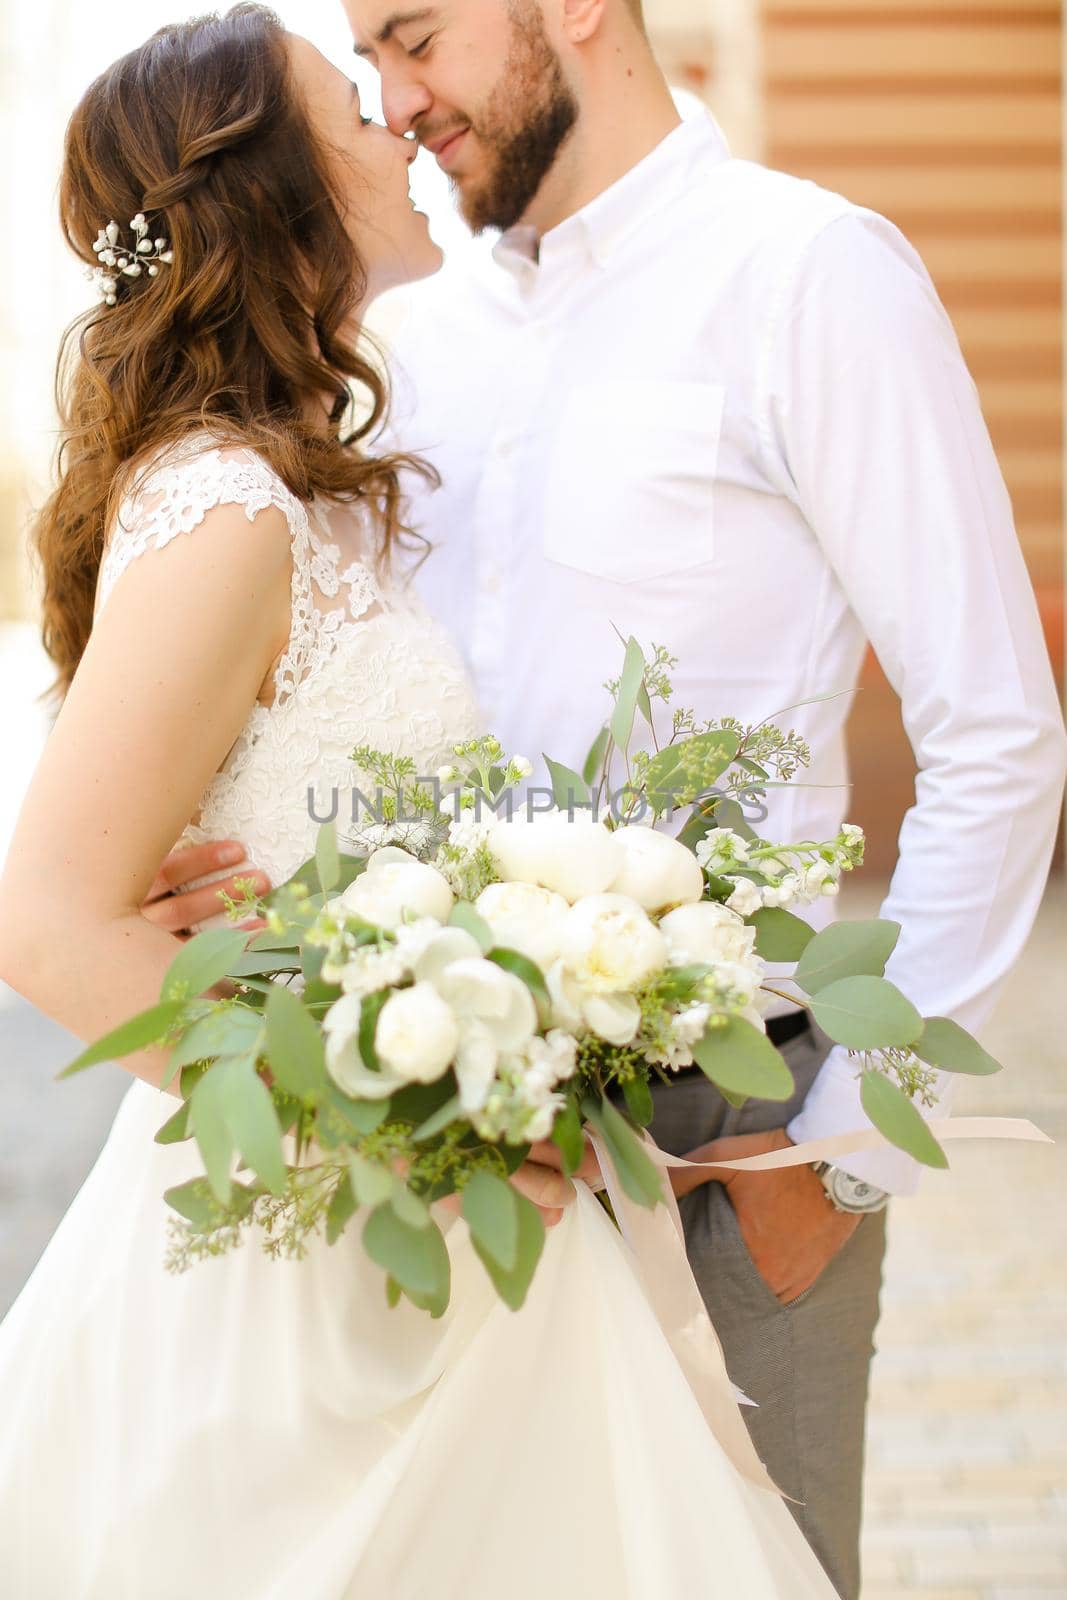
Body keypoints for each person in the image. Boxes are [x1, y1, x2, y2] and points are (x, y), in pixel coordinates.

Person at [150, 0, 1067, 1593]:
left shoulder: (810, 275)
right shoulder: (408, 337)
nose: (396, 98)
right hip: (425, 1136)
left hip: (733, 1138)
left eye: (416, 37)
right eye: (367, 62)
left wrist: (838, 1165)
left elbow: (994, 728)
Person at [0, 7, 845, 1596]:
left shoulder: (284, 482)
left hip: (438, 1234)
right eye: (348, 102)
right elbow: (45, 916)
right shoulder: (225, 508)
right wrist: (405, 1140)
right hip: (312, 1263)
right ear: (270, 191)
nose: (395, 119)